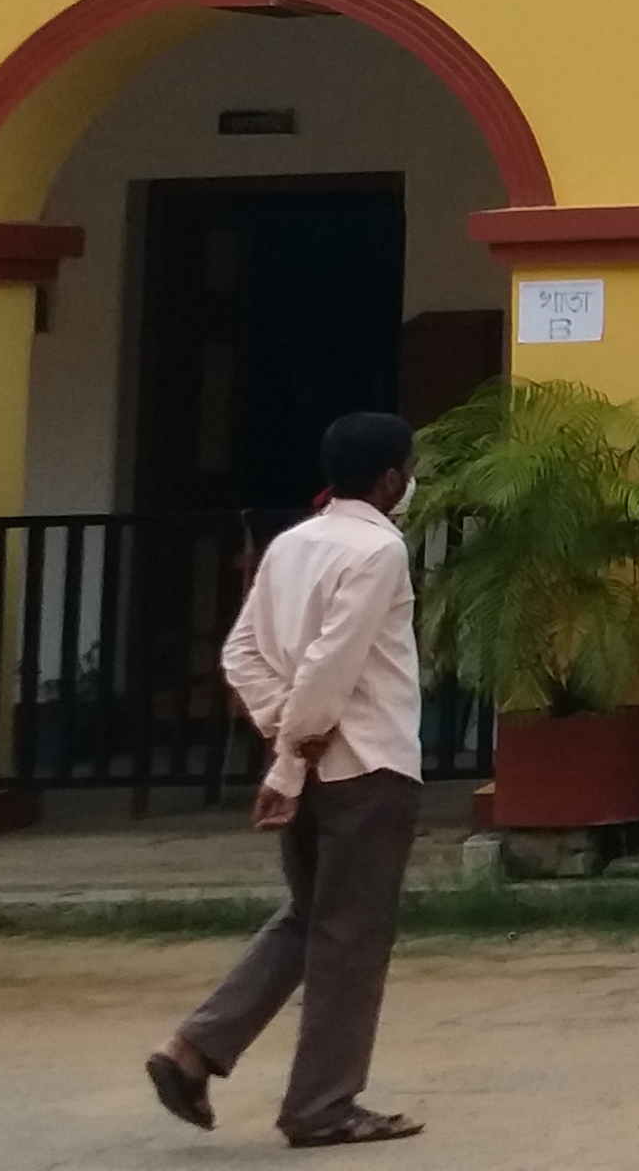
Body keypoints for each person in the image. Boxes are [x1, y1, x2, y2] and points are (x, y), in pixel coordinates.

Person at [145, 410, 426, 1148]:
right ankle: (322, 1105)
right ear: (391, 478)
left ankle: (194, 1050)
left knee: (309, 916)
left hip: (311, 759)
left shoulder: (292, 544)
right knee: (349, 937)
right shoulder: (378, 552)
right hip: (367, 765)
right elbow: (332, 667)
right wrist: (294, 758)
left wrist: (280, 741)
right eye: (408, 468)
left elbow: (241, 654)